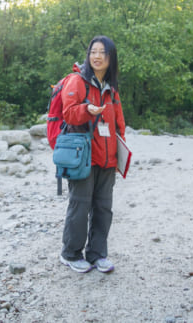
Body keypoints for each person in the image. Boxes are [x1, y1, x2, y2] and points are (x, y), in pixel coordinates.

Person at [59, 35, 126, 274]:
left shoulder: (112, 89)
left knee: (103, 207)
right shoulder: (77, 81)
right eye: (93, 52)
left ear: (111, 58)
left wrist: (120, 155)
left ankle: (97, 254)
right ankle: (70, 253)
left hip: (107, 158)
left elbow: (119, 125)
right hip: (83, 156)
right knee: (80, 206)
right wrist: (86, 109)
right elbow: (68, 113)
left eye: (103, 53)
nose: (97, 57)